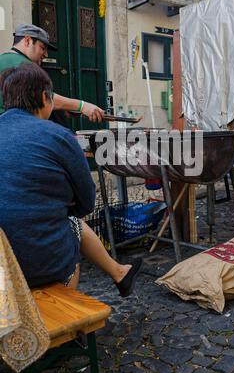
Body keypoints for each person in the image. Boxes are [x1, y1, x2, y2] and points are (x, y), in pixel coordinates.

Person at [0, 63, 142, 295]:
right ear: (46, 97)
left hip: (2, 262)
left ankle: (120, 272)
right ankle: (73, 311)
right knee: (72, 223)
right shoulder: (58, 136)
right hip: (39, 266)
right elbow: (85, 204)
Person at [0, 24, 105, 124]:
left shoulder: (3, 59)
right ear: (27, 40)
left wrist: (63, 107)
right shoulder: (24, 66)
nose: (46, 54)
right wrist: (82, 106)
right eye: (42, 47)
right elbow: (41, 97)